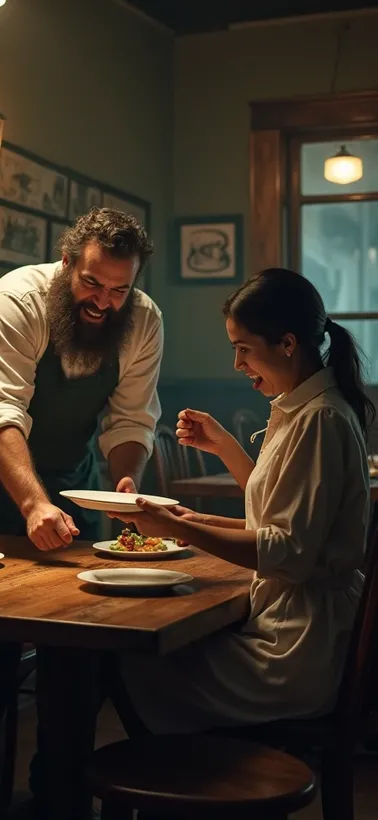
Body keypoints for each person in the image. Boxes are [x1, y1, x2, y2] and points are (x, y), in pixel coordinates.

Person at [0, 207, 164, 818]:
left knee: (83, 631)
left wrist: (124, 482)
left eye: (119, 289)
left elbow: (132, 419)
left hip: (72, 471)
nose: (104, 301)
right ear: (67, 264)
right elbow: (0, 413)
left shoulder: (142, 320)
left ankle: (58, 797)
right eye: (92, 283)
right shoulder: (17, 301)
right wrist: (32, 503)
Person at [111, 267, 373, 735]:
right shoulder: (304, 410)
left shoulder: (320, 420)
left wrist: (178, 529)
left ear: (288, 343)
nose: (237, 364)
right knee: (128, 654)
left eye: (243, 349)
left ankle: (156, 786)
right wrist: (205, 487)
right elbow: (278, 518)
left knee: (120, 657)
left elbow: (288, 554)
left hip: (295, 652)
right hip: (292, 630)